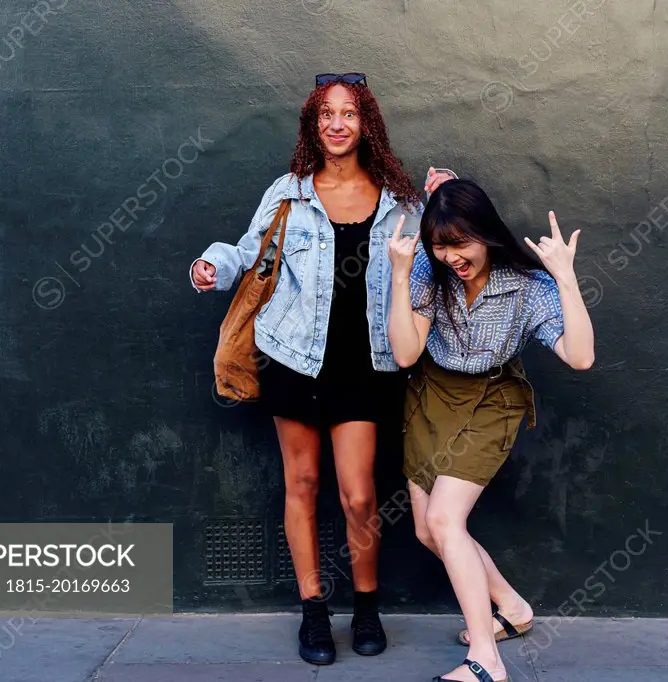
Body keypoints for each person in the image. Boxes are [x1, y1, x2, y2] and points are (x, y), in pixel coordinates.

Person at [189, 72, 456, 666]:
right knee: (302, 485)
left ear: (367, 125)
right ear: (314, 124)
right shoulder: (289, 191)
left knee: (360, 496)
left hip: (365, 366)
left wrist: (448, 197)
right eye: (326, 114)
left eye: (350, 114)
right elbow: (248, 250)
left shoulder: (398, 201)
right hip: (293, 358)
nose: (337, 123)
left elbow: (435, 256)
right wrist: (211, 266)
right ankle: (313, 611)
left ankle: (365, 606)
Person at [386, 179, 596, 682]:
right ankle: (511, 606)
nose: (451, 257)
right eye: (440, 246)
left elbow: (581, 356)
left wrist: (566, 280)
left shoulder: (525, 286)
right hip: (432, 394)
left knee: (443, 521)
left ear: (485, 235)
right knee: (426, 528)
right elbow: (405, 353)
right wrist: (399, 275)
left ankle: (486, 658)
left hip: (492, 399)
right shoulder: (426, 272)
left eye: (461, 244)